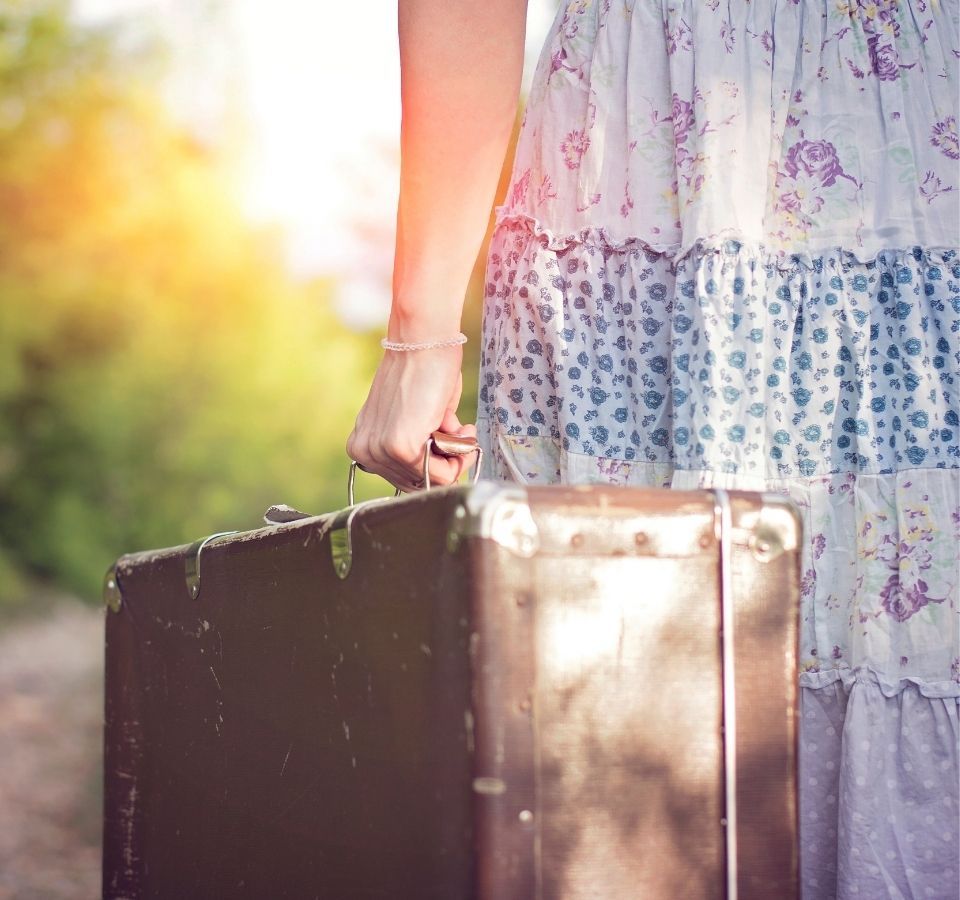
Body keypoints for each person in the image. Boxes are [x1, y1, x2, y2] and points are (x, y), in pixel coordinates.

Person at [348, 1, 959, 897]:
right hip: (652, 178)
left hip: (911, 185)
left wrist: (422, 331)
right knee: (614, 709)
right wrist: (420, 331)